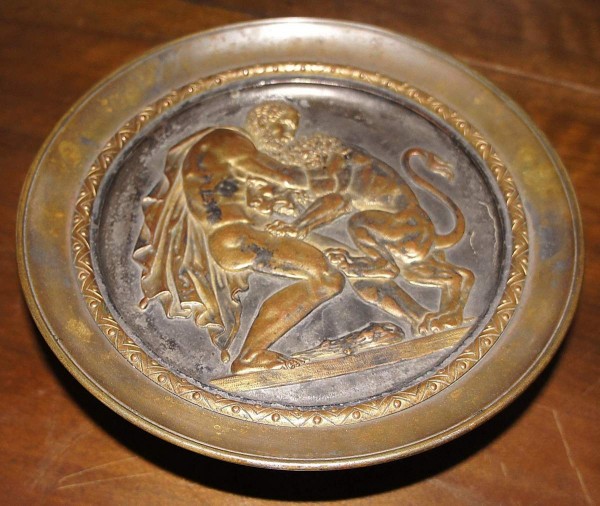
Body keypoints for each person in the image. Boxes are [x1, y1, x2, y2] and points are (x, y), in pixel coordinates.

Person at [135, 103, 344, 374]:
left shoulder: (212, 155)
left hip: (231, 237)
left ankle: (252, 354)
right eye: (283, 127)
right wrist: (334, 176)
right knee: (326, 278)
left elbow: (242, 194)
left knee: (324, 278)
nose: (286, 137)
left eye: (291, 131)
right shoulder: (227, 140)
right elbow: (287, 176)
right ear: (262, 121)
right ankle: (250, 356)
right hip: (235, 237)